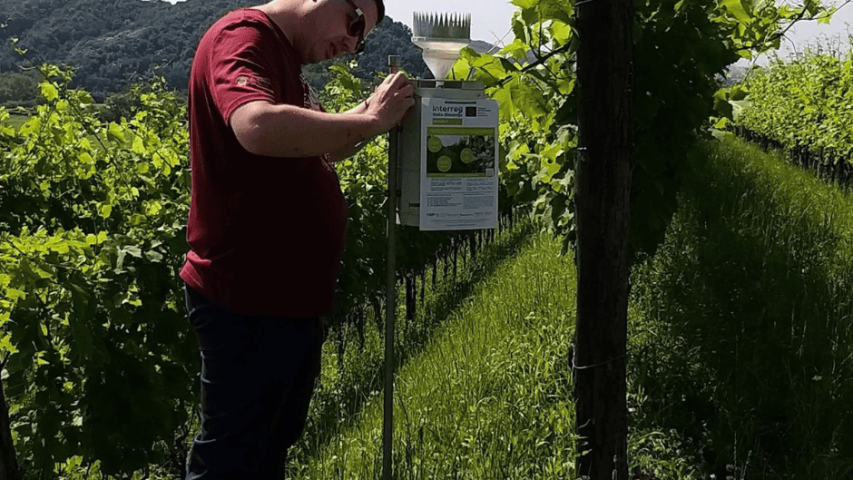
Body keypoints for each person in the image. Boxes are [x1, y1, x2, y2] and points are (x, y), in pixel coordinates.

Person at [179, 0, 414, 478]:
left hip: (282, 302)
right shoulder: (244, 38)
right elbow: (257, 125)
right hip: (245, 298)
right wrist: (369, 120)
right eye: (353, 26)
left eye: (361, 39)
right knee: (231, 459)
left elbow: (327, 146)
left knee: (267, 450)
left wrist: (371, 114)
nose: (351, 45)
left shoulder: (283, 59)